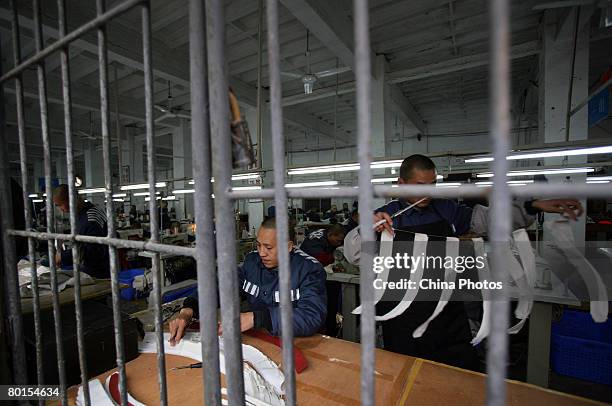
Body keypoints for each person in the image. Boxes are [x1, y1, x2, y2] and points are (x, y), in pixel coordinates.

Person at [345, 154, 583, 370]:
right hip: (403, 321)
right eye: (420, 186)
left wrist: (532, 206)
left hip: (447, 317)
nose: (429, 193)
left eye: (433, 185)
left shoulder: (449, 211)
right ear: (400, 183)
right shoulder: (386, 217)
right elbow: (354, 255)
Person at [168, 217, 327, 345]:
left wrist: (257, 318)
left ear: (288, 246)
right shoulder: (252, 263)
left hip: (298, 344)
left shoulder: (309, 270)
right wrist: (189, 309)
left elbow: (311, 316)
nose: (262, 253)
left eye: (268, 247)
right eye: (258, 246)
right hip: (260, 341)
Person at [52, 184, 110, 278]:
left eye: (60, 204)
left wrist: (63, 256)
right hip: (90, 266)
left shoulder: (90, 218)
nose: (61, 209)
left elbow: (92, 251)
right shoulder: (82, 214)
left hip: (99, 271)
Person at [299, 224, 346, 336]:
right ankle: (325, 329)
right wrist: (335, 256)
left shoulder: (326, 236)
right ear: (330, 235)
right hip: (307, 276)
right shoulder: (315, 241)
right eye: (338, 240)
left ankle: (331, 327)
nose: (339, 243)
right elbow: (319, 259)